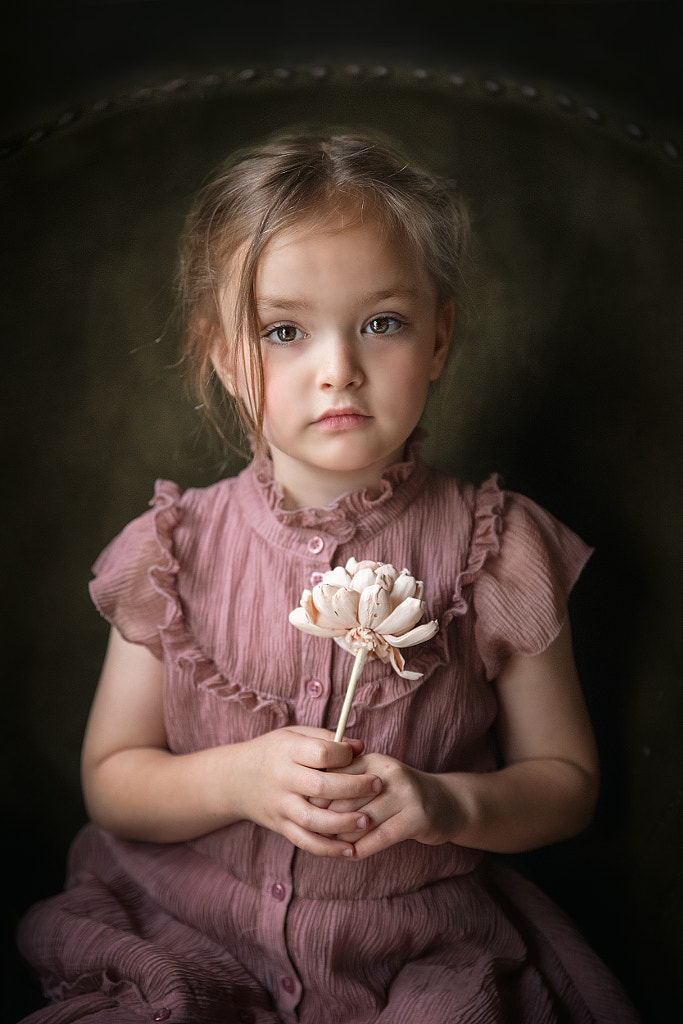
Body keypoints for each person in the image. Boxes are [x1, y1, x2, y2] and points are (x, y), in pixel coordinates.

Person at [17, 131, 640, 1024]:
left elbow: (564, 782)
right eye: (283, 331)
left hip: (411, 951)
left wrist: (443, 802)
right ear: (226, 359)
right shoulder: (171, 552)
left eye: (381, 323)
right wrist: (236, 781)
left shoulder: (498, 548)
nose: (338, 369)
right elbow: (112, 779)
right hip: (188, 929)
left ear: (438, 336)